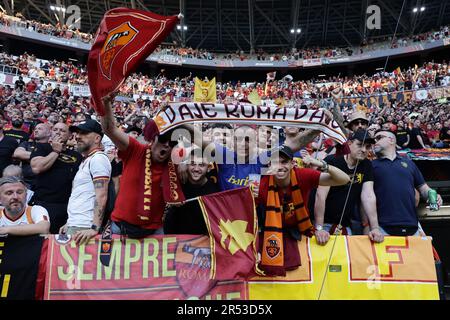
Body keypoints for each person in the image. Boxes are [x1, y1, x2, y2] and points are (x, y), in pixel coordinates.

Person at [99, 95, 184, 238]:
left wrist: (182, 121)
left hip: (154, 232)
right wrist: (106, 102)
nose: (167, 145)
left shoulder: (174, 165)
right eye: (163, 139)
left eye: (173, 142)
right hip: (120, 228)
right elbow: (109, 129)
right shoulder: (135, 150)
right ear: (153, 138)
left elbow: (206, 149)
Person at [256, 145, 350, 276]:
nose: (279, 166)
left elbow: (344, 179)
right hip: (272, 232)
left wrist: (322, 164)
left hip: (300, 229)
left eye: (284, 162)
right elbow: (249, 214)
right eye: (275, 162)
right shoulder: (261, 185)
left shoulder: (303, 175)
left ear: (292, 163)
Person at [314, 129, 384, 245]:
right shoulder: (332, 161)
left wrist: (375, 227)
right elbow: (320, 195)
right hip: (323, 222)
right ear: (349, 143)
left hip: (344, 224)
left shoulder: (366, 165)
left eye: (367, 147)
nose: (363, 150)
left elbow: (368, 196)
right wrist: (319, 228)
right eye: (359, 145)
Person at [372, 129, 443, 236]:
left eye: (379, 138)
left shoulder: (409, 164)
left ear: (391, 140)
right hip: (382, 228)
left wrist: (434, 195)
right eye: (374, 139)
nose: (375, 141)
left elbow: (423, 188)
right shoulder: (371, 165)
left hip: (412, 226)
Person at [60, 120, 111, 245]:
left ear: (97, 138)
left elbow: (101, 195)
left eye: (83, 133)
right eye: (77, 133)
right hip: (76, 224)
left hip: (84, 227)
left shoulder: (98, 159)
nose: (77, 136)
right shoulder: (87, 160)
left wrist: (94, 227)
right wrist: (69, 222)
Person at [30, 123, 82, 234]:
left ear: (69, 136)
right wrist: (56, 151)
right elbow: (37, 168)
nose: (58, 132)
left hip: (65, 206)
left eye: (62, 131)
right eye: (55, 129)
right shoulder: (42, 147)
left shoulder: (76, 155)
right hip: (42, 203)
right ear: (51, 132)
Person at [164, 148, 220, 235]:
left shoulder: (213, 193)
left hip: (201, 243)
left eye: (201, 165)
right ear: (186, 165)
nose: (196, 169)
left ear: (208, 168)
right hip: (175, 240)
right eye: (193, 164)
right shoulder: (177, 184)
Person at [13, 122, 52, 190]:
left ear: (48, 133)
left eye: (40, 129)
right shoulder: (27, 143)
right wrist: (42, 157)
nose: (36, 130)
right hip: (26, 182)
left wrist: (28, 156)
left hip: (44, 182)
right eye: (35, 129)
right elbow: (17, 153)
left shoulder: (52, 147)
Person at [0, 112, 19, 177]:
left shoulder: (12, 141)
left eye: (0, 118)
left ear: (3, 122)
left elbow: (17, 161)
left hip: (5, 181)